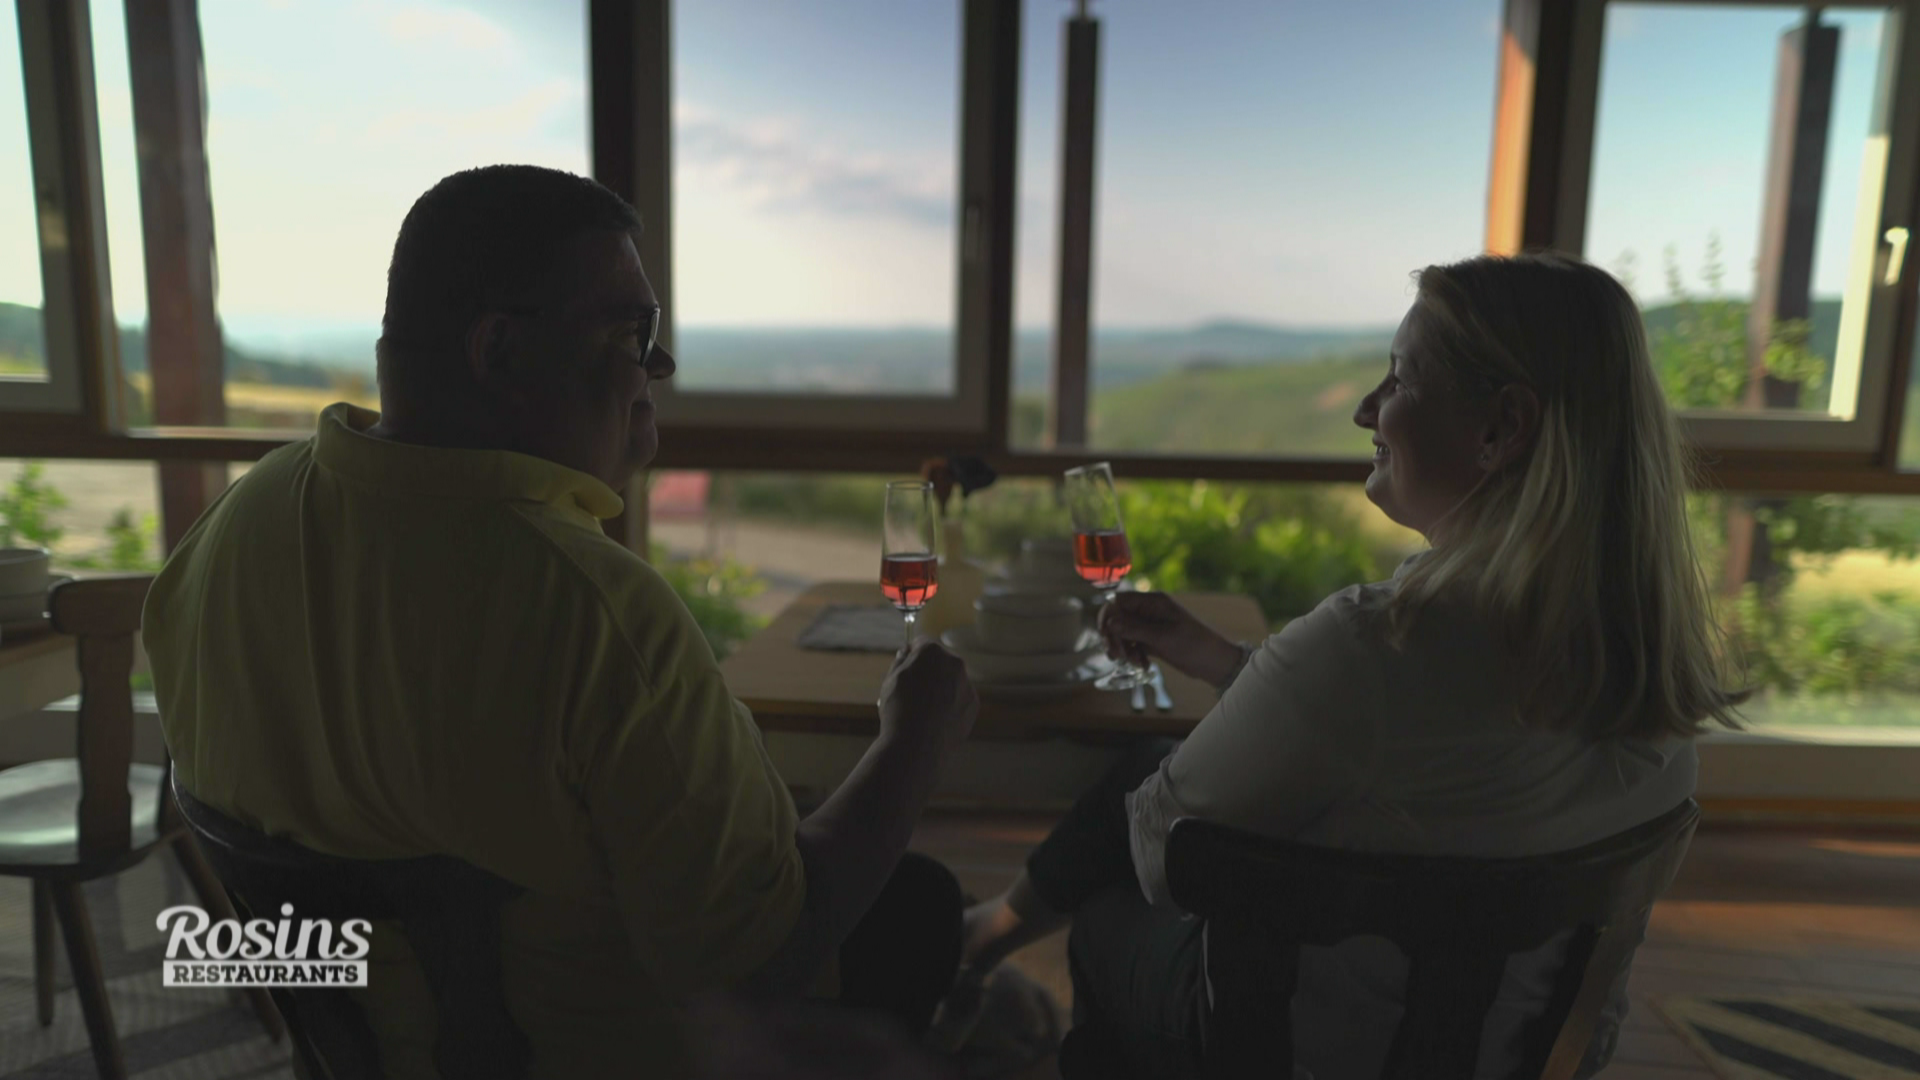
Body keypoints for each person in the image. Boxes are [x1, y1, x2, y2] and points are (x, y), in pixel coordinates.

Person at [142, 165, 979, 1078]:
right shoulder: (593, 611)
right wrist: (915, 738)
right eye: (633, 333)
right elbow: (757, 961)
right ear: (500, 351)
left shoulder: (233, 525)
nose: (659, 366)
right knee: (917, 904)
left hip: (359, 1053)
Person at [953, 253, 1746, 1079]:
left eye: (1400, 380)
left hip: (1306, 1050)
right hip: (1518, 1055)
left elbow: (1161, 852)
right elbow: (1411, 739)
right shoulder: (1649, 661)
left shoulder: (1378, 645)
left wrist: (1262, 688)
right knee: (1147, 765)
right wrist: (1232, 665)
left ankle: (976, 948)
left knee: (1109, 908)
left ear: (1501, 429)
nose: (1366, 409)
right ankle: (982, 935)